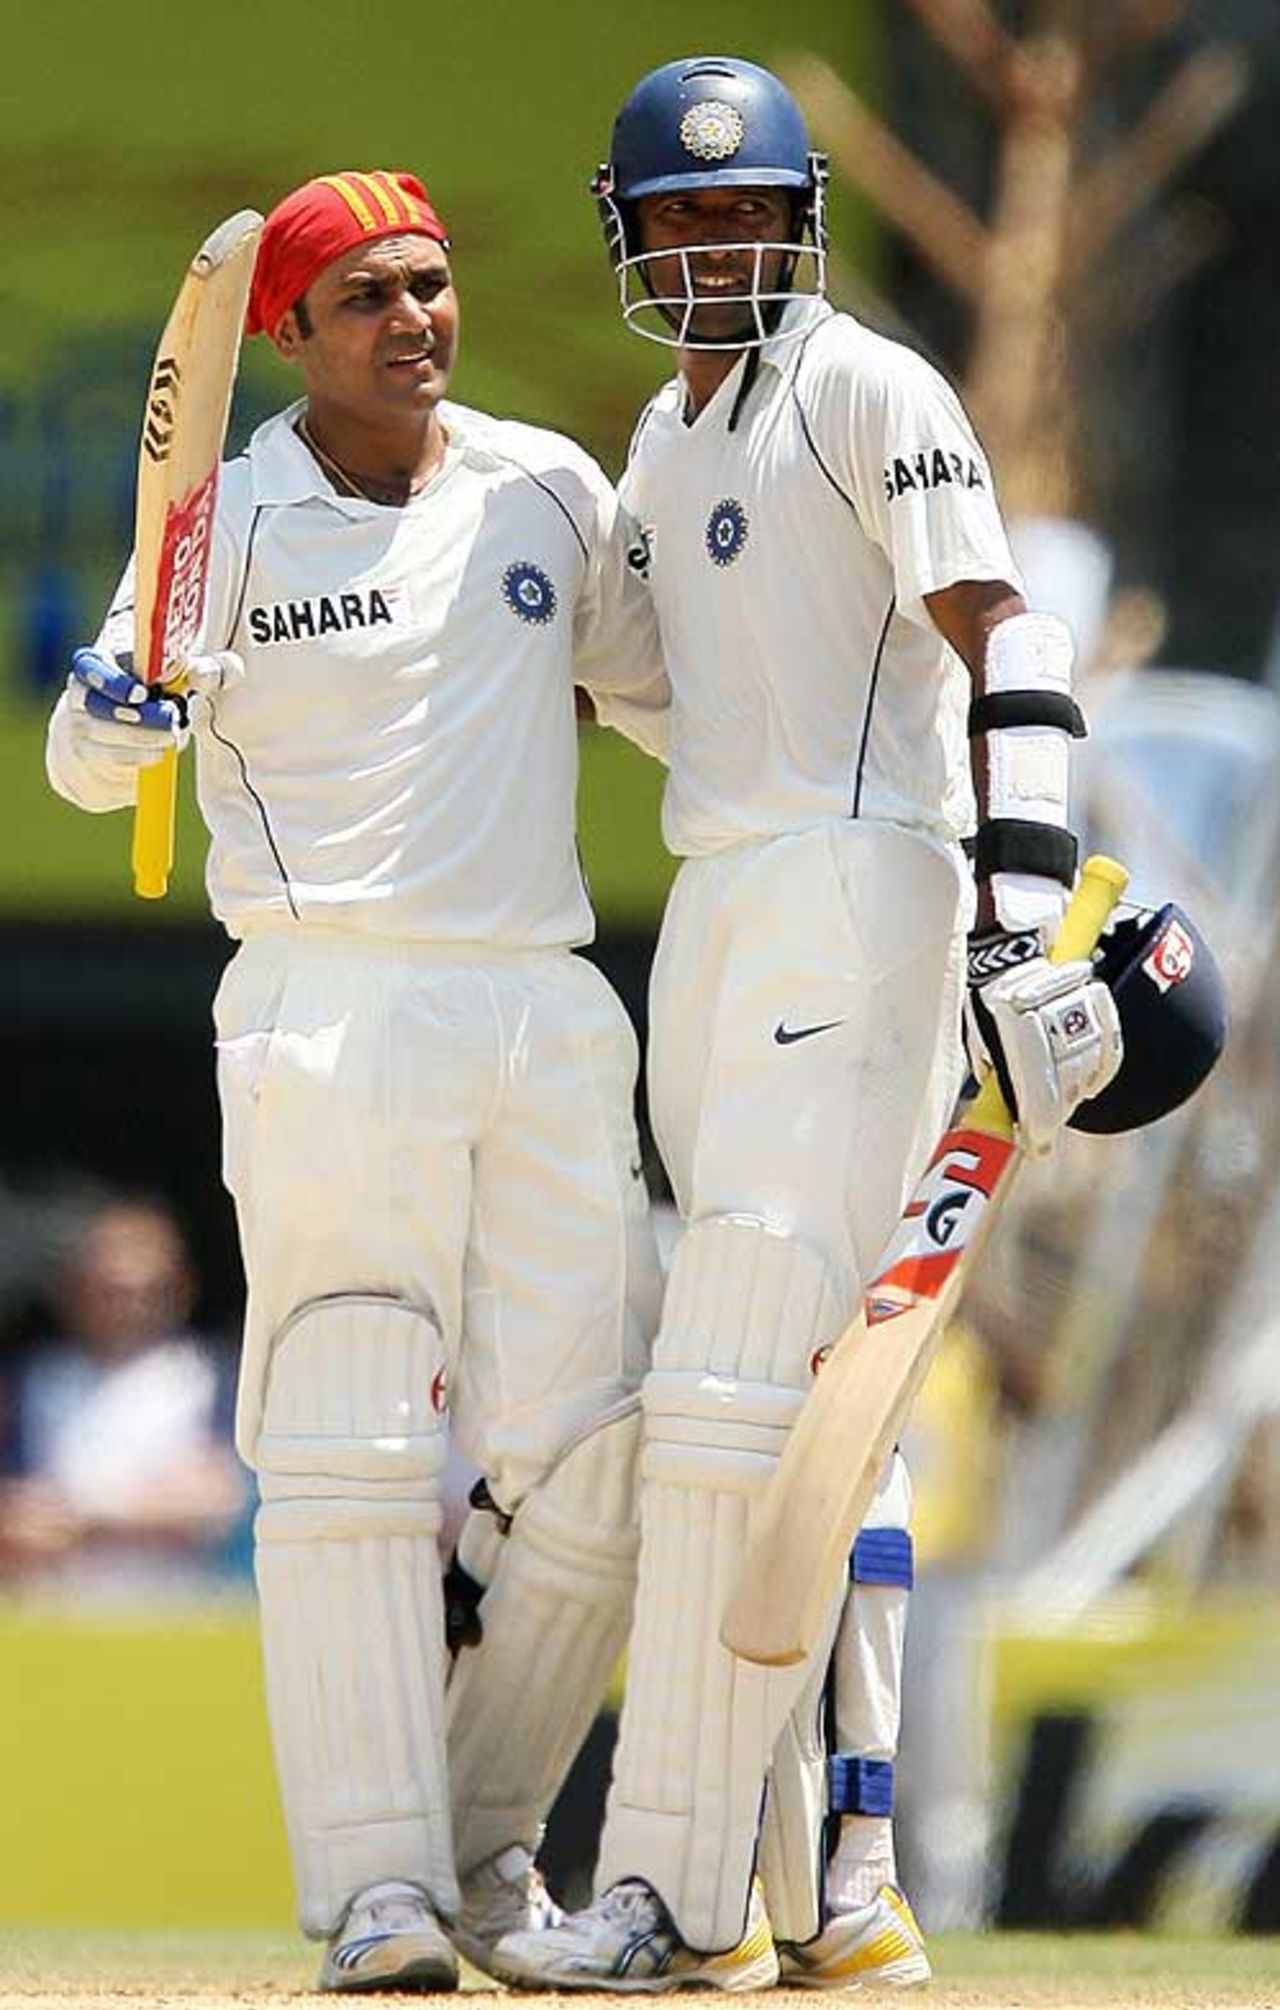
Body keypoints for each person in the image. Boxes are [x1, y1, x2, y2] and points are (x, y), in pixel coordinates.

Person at [493, 57, 1122, 1993]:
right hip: (716, 905)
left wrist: (1028, 916)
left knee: (740, 1384)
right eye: (681, 217)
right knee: (784, 1407)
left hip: (863, 885)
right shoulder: (666, 446)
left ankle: (682, 1888)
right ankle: (824, 1878)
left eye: (749, 210)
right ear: (629, 236)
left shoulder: (868, 385)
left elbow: (1001, 631)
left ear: (798, 223)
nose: (716, 243)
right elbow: (654, 695)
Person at [46, 167, 667, 1993]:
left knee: (602, 1455)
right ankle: (378, 1894)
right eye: (370, 299)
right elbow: (94, 758)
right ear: (294, 337)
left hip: (546, 1002)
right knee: (344, 1445)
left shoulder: (549, 481)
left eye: (432, 284)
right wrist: (117, 712)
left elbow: (667, 693)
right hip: (330, 999)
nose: (416, 320)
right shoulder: (220, 521)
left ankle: (482, 1838)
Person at [0, 1189, 248, 1601]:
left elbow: (221, 1499)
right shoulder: (30, 1381)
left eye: (147, 1290)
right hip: (52, 1622)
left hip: (182, 1618)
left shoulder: (214, 1376)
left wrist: (80, 1518)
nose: (128, 1307)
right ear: (73, 1287)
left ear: (183, 1286)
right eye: (110, 1290)